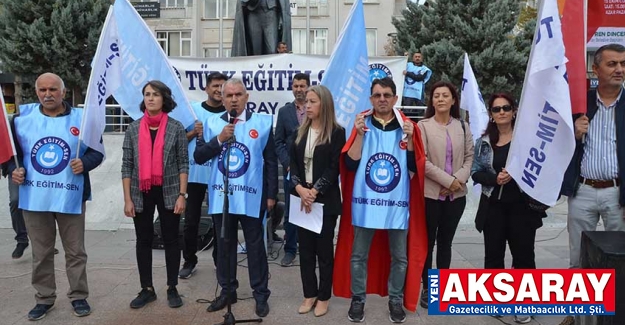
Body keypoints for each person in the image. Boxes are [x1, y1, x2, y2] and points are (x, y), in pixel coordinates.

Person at [9, 72, 104, 320]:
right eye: (43, 90)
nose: (47, 94)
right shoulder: (22, 119)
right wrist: (13, 170)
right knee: (41, 252)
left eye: (53, 89)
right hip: (34, 197)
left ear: (63, 91)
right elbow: (11, 154)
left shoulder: (82, 119)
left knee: (75, 251)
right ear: (37, 92)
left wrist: (84, 163)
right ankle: (44, 298)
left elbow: (97, 152)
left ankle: (79, 296)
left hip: (69, 196)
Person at [333, 77, 428, 323]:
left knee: (400, 257)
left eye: (387, 95)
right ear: (371, 98)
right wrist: (360, 135)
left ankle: (395, 300)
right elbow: (351, 163)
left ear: (395, 98)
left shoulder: (407, 126)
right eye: (377, 95)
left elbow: (414, 169)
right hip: (366, 204)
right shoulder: (362, 123)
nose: (382, 99)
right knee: (358, 255)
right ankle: (358, 300)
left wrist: (409, 144)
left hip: (397, 205)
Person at [195, 78, 278, 318]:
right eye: (229, 95)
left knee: (255, 247)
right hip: (223, 197)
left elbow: (271, 161)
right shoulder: (211, 123)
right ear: (222, 98)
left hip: (252, 197)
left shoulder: (262, 123)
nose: (233, 99)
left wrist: (271, 194)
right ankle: (227, 290)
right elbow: (200, 156)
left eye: (238, 94)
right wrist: (219, 139)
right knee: (224, 246)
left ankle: (261, 293)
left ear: (247, 96)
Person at [559, 43, 625, 325]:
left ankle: (615, 316)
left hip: (617, 193)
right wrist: (572, 133)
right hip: (583, 191)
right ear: (595, 69)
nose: (619, 69)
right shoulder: (578, 104)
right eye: (612, 64)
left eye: (623, 63)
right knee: (579, 258)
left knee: (618, 260)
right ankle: (578, 318)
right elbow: (555, 145)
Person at [471, 93, 543, 324]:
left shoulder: (527, 139)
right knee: (493, 255)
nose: (501, 112)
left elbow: (539, 169)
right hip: (493, 206)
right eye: (496, 109)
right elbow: (475, 172)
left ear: (514, 111)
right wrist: (494, 179)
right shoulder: (483, 142)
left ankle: (525, 302)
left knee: (524, 255)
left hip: (522, 207)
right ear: (491, 115)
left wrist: (520, 174)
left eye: (505, 108)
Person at [122, 80, 189, 309]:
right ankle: (147, 289)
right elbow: (127, 165)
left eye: (155, 94)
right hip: (141, 192)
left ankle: (172, 287)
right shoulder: (133, 128)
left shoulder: (176, 127)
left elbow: (183, 163)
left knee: (171, 239)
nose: (150, 98)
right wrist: (127, 199)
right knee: (143, 240)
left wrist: (182, 194)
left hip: (169, 191)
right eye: (147, 94)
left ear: (164, 99)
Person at [289, 85, 345, 317]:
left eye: (312, 102)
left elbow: (334, 168)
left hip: (325, 201)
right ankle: (309, 293)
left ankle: (324, 296)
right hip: (302, 199)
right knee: (306, 251)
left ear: (324, 104)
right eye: (306, 102)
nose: (307, 106)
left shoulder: (337, 132)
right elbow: (292, 164)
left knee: (323, 251)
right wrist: (301, 189)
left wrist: (315, 192)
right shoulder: (299, 132)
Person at [417, 81, 474, 309]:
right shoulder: (423, 126)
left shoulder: (463, 126)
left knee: (446, 243)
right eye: (436, 96)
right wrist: (447, 181)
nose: (440, 99)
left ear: (453, 100)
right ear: (432, 101)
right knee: (428, 242)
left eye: (445, 95)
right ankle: (427, 287)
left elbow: (470, 157)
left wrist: (456, 182)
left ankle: (443, 287)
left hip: (456, 197)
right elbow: (423, 161)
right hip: (430, 195)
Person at [179, 72, 228, 279]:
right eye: (215, 86)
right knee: (191, 220)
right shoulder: (193, 111)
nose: (218, 90)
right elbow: (177, 140)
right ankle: (189, 260)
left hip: (219, 175)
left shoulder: (230, 113)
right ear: (206, 88)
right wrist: (192, 133)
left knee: (220, 220)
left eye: (222, 86)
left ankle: (221, 260)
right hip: (195, 173)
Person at [274, 72, 310, 266]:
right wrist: (288, 164)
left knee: (312, 210)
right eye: (295, 86)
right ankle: (290, 250)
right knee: (291, 212)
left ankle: (310, 250)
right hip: (292, 171)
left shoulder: (316, 109)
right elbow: (278, 141)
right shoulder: (285, 112)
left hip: (313, 170)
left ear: (308, 87)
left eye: (302, 86)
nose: (299, 90)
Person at [2, 160, 28, 258]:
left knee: (40, 203)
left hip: (38, 167)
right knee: (15, 200)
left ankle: (43, 241)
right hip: (15, 165)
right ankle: (22, 239)